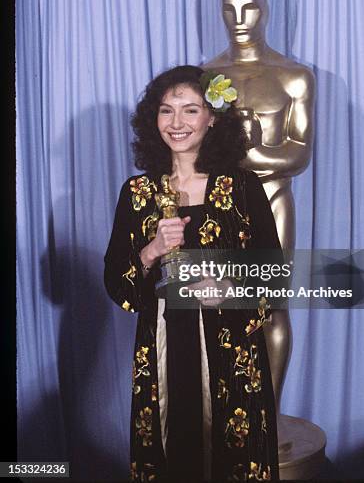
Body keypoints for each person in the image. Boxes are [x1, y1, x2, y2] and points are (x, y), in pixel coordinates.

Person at [104, 65, 282, 482]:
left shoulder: (241, 187)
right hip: (163, 349)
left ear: (212, 117)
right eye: (167, 111)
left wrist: (231, 289)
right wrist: (151, 250)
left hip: (231, 354)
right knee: (170, 456)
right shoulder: (137, 194)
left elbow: (275, 274)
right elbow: (116, 283)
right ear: (154, 119)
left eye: (190, 110)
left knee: (231, 459)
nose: (177, 123)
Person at [202, 0, 315, 448]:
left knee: (272, 308)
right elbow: (197, 153)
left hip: (272, 202)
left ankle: (266, 410)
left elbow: (299, 156)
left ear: (266, 10)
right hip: (219, 205)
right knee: (217, 306)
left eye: (250, 9)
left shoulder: (293, 76)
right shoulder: (206, 75)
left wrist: (246, 152)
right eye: (230, 10)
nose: (241, 21)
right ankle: (228, 411)